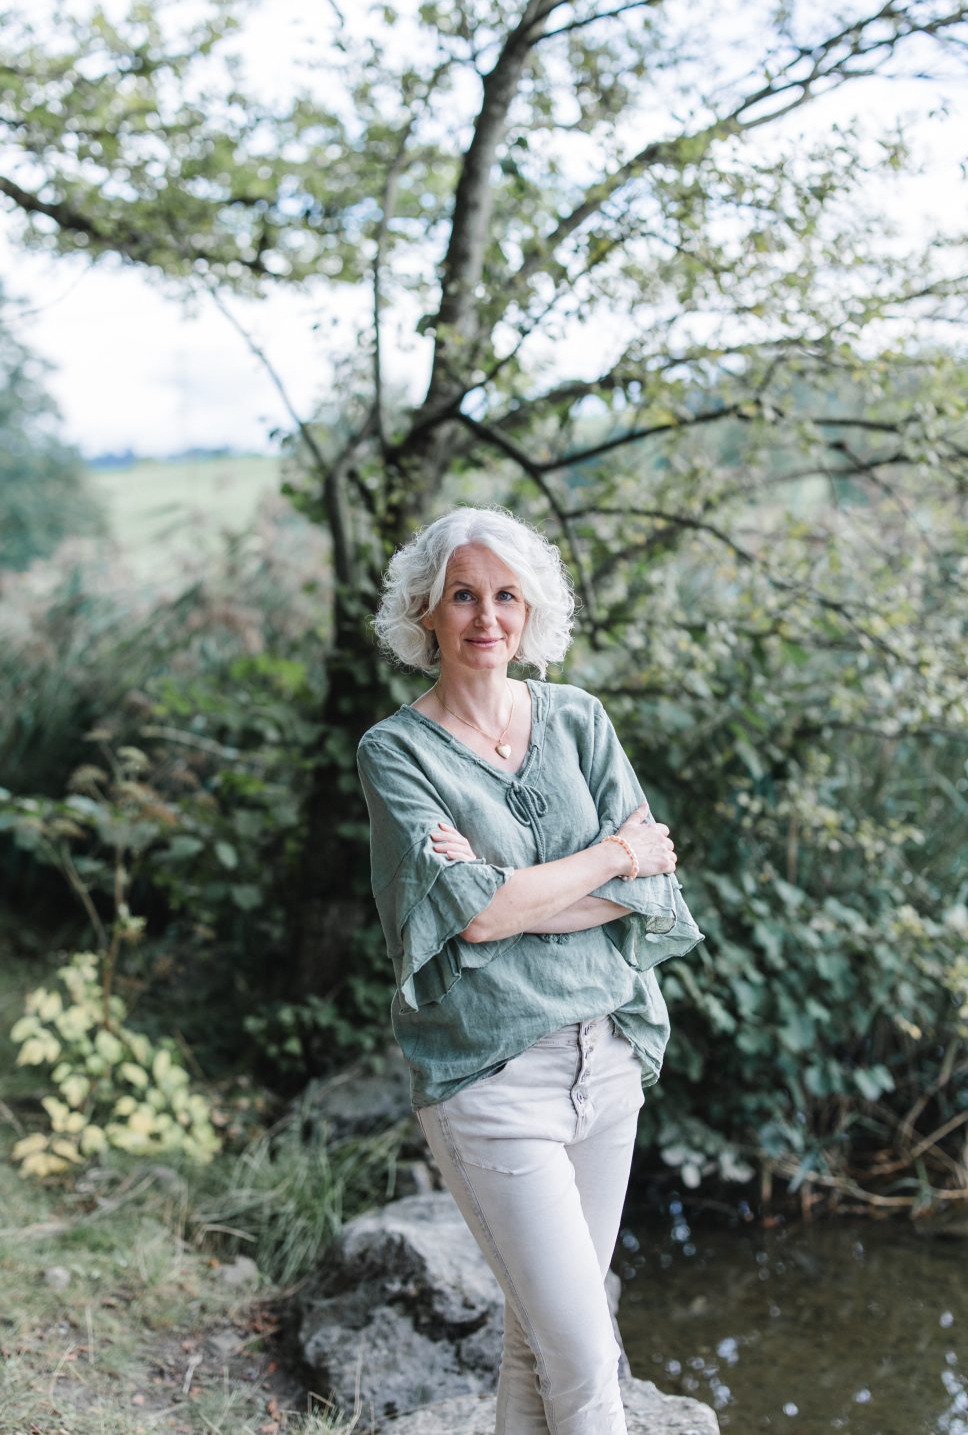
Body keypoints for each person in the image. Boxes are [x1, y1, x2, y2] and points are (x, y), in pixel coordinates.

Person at [356, 505, 704, 1435]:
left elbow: (650, 890)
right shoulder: (395, 753)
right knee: (589, 1365)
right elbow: (474, 922)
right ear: (425, 611)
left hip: (608, 1057)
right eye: (462, 595)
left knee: (534, 1342)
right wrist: (608, 859)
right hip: (491, 1081)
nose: (486, 618)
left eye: (506, 596)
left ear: (531, 610)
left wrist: (517, 887)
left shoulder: (579, 719)